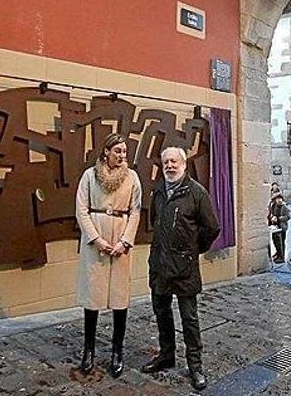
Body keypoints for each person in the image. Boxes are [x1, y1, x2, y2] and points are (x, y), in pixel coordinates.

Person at [142, 147, 221, 390]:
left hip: (185, 268)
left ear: (184, 164)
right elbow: (154, 221)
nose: (170, 166)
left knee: (189, 319)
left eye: (174, 161)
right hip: (160, 264)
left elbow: (212, 228)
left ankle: (195, 366)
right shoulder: (159, 191)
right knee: (162, 313)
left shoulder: (197, 192)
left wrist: (193, 249)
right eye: (166, 162)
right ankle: (166, 355)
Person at [75, 133, 143, 377]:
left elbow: (135, 211)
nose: (122, 155)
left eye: (124, 151)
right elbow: (81, 210)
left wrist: (125, 241)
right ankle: (88, 350)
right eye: (117, 151)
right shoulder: (89, 176)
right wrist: (96, 239)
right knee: (92, 298)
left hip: (120, 242)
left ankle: (117, 351)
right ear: (106, 152)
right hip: (95, 242)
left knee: (120, 298)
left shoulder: (132, 177)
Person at [268, 194, 290, 263]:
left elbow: (288, 216)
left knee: (281, 242)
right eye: (277, 199)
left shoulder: (284, 207)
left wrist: (279, 218)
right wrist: (272, 217)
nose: (279, 200)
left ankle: (281, 256)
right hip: (275, 227)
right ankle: (278, 253)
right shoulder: (273, 206)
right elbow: (271, 214)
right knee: (275, 241)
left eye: (280, 199)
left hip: (282, 227)